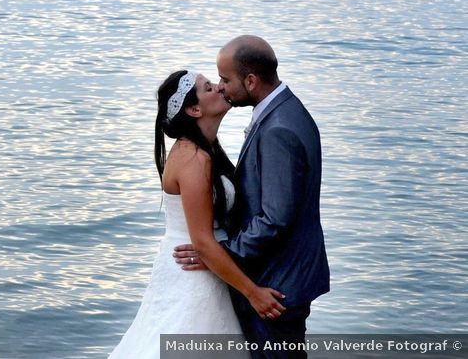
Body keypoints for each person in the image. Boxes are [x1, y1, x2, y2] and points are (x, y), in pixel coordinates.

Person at [108, 69, 286, 359]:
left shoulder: (207, 151)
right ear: (194, 109)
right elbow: (202, 241)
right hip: (194, 272)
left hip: (207, 265)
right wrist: (254, 293)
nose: (218, 87)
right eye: (208, 87)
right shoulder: (193, 158)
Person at [174, 36, 330, 358]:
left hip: (278, 283)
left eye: (226, 80)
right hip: (285, 273)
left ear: (250, 81)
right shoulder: (287, 110)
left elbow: (274, 219)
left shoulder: (277, 130)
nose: (221, 87)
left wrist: (220, 255)